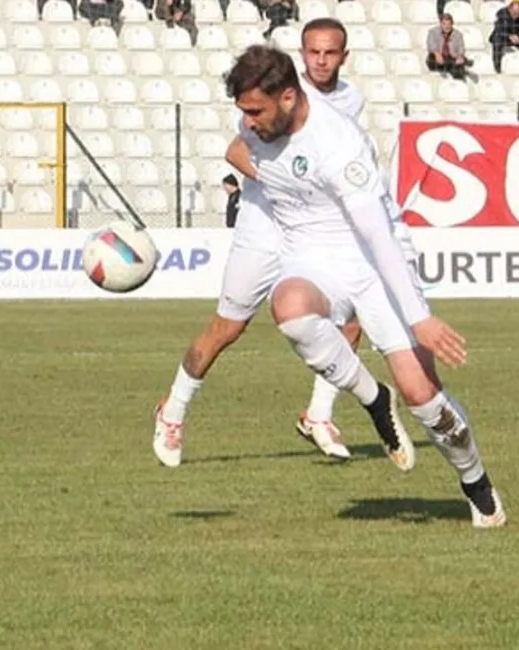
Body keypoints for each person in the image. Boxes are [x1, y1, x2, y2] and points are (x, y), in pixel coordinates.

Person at [222, 45, 506, 528]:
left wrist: (420, 317)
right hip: (313, 259)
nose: (247, 122)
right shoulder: (261, 125)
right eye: (242, 112)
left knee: (422, 395)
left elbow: (376, 234)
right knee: (289, 309)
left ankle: (476, 484)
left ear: (288, 98)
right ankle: (374, 398)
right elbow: (236, 149)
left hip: (373, 261)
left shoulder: (338, 142)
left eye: (254, 111)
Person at [154, 18, 415, 473]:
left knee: (350, 319)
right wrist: (286, 184)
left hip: (318, 235)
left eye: (329, 53)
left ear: (342, 57)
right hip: (264, 226)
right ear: (302, 54)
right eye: (312, 51)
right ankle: (172, 411)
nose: (320, 60)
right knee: (226, 329)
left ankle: (319, 414)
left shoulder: (350, 102)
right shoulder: (272, 98)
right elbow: (237, 152)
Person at [426, 14, 470, 81]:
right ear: (440, 23)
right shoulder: (433, 32)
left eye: (449, 24)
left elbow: (461, 48)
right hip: (437, 56)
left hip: (451, 58)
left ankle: (459, 74)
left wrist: (460, 56)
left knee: (459, 65)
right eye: (444, 24)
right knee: (432, 59)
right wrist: (437, 53)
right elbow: (431, 45)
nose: (447, 26)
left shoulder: (458, 34)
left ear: (452, 24)